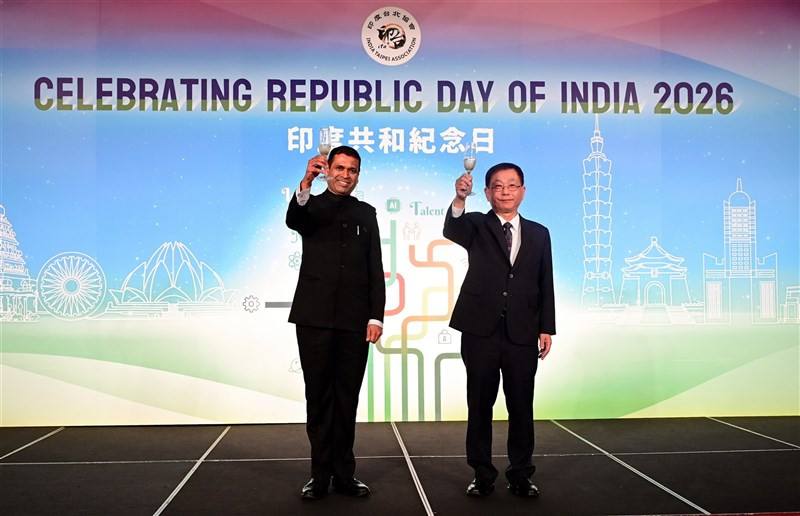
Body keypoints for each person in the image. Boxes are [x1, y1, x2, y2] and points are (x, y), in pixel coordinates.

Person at [443, 162, 555, 498]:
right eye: (497, 186)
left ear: (523, 190)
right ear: (488, 192)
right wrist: (460, 198)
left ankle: (520, 473)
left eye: (511, 185)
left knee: (522, 405)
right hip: (480, 330)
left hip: (522, 331)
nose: (505, 192)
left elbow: (544, 280)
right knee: (480, 404)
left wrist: (546, 327)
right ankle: (482, 473)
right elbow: (453, 228)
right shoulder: (476, 224)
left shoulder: (539, 232)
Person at [286, 145, 385, 500]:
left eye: (353, 170)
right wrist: (306, 183)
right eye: (340, 168)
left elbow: (375, 267)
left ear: (358, 175)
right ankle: (319, 475)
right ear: (328, 169)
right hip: (313, 318)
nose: (346, 175)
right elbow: (295, 219)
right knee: (319, 398)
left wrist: (376, 316)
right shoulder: (311, 206)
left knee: (347, 399)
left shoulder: (367, 213)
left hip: (355, 322)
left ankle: (345, 474)